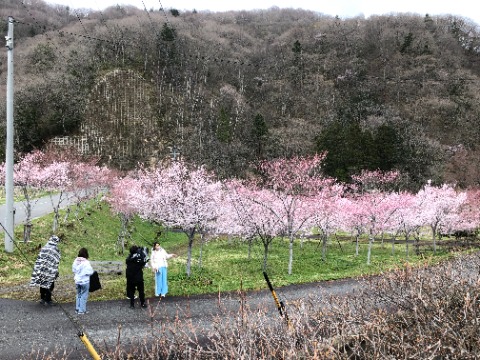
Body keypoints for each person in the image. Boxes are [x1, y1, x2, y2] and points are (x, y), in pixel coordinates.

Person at [29, 235, 61, 306]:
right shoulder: (55, 250)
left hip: (41, 268)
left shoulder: (44, 248)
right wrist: (56, 271)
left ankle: (42, 298)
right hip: (49, 270)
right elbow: (56, 261)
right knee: (50, 284)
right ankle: (48, 300)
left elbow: (39, 258)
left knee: (42, 283)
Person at [72, 248, 94, 315]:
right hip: (85, 282)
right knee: (83, 296)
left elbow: (73, 270)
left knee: (78, 294)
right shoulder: (86, 262)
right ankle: (82, 311)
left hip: (77, 281)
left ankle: (77, 309)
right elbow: (90, 272)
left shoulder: (75, 261)